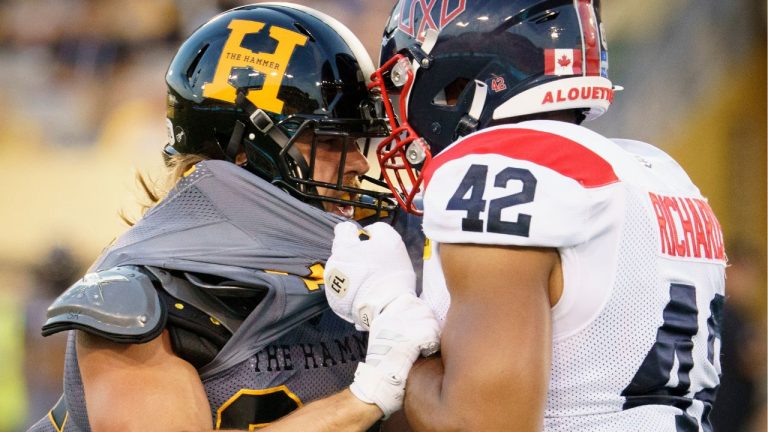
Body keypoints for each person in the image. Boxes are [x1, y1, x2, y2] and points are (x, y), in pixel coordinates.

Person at [26, 4, 438, 432]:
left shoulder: (382, 249)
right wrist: (366, 397)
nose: (358, 164)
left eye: (358, 142)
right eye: (331, 140)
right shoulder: (144, 298)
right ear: (248, 151)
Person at [323, 0, 727, 430]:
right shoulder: (657, 172)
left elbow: (476, 425)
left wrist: (391, 314)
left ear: (460, 81)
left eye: (405, 83)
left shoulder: (499, 169)